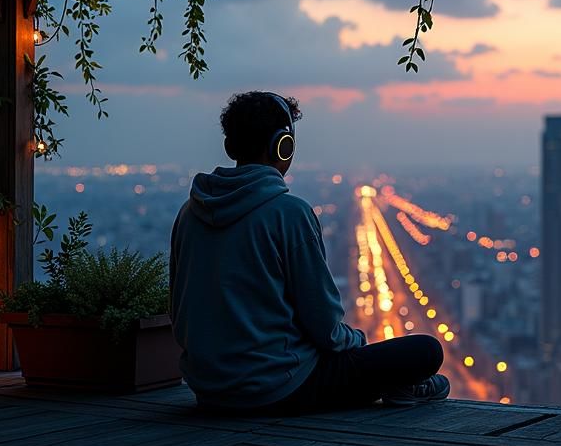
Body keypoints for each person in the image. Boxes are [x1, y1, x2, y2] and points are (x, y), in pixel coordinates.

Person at [170, 91, 449, 413]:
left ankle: (398, 386)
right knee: (426, 351)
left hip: (209, 390)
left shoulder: (189, 213)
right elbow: (325, 328)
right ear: (283, 145)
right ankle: (404, 387)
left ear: (230, 146)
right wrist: (356, 344)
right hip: (280, 389)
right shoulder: (288, 213)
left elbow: (178, 313)